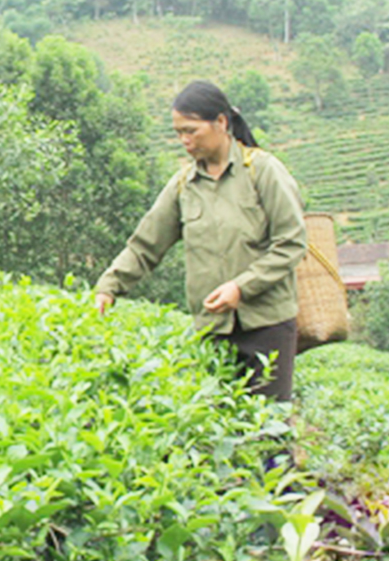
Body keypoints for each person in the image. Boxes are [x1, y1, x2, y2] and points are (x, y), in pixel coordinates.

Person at [94, 80, 307, 402]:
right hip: (212, 330)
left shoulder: (262, 171)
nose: (184, 140)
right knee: (217, 422)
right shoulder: (184, 185)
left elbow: (291, 243)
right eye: (178, 132)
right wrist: (108, 287)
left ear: (221, 122)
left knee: (269, 424)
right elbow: (144, 246)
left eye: (191, 130)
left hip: (267, 326)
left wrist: (241, 288)